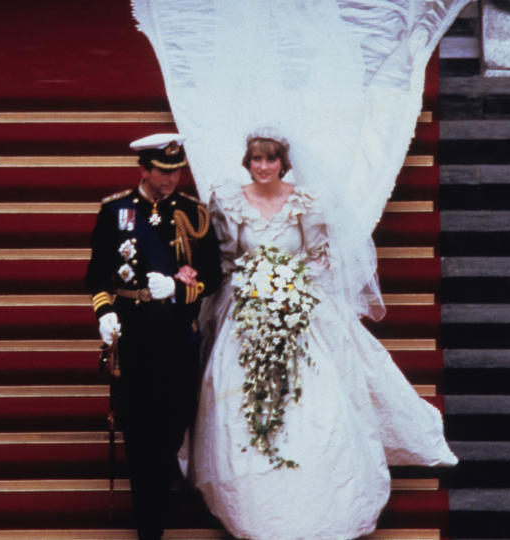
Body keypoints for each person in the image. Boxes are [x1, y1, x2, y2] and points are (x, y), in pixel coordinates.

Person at [184, 132, 458, 540]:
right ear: (247, 161)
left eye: (270, 160)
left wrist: (289, 288)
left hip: (300, 309)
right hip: (246, 312)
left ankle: (318, 496)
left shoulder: (305, 202)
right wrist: (253, 289)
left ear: (283, 162)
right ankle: (254, 505)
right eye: (256, 159)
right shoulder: (228, 200)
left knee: (315, 404)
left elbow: (318, 257)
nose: (263, 167)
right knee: (242, 402)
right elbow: (226, 260)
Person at [84, 133, 222, 540]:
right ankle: (149, 524)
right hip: (134, 340)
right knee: (139, 431)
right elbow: (96, 274)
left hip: (178, 337)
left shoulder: (194, 214)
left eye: (176, 170)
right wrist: (104, 311)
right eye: (163, 171)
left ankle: (156, 496)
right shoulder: (116, 211)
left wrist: (180, 291)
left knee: (173, 425)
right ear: (143, 169)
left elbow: (213, 275)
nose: (172, 178)